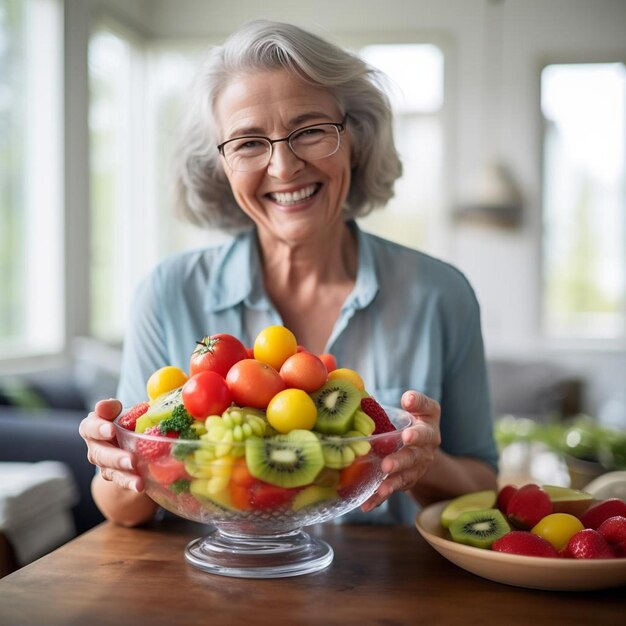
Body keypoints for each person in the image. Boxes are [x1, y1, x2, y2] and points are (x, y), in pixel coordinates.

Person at [79, 19, 498, 528]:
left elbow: (483, 484)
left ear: (357, 139)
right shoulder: (168, 292)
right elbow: (121, 510)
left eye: (312, 131)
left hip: (387, 595)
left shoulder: (441, 294)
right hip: (216, 589)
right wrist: (114, 458)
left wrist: (426, 460)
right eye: (249, 142)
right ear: (220, 166)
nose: (283, 168)